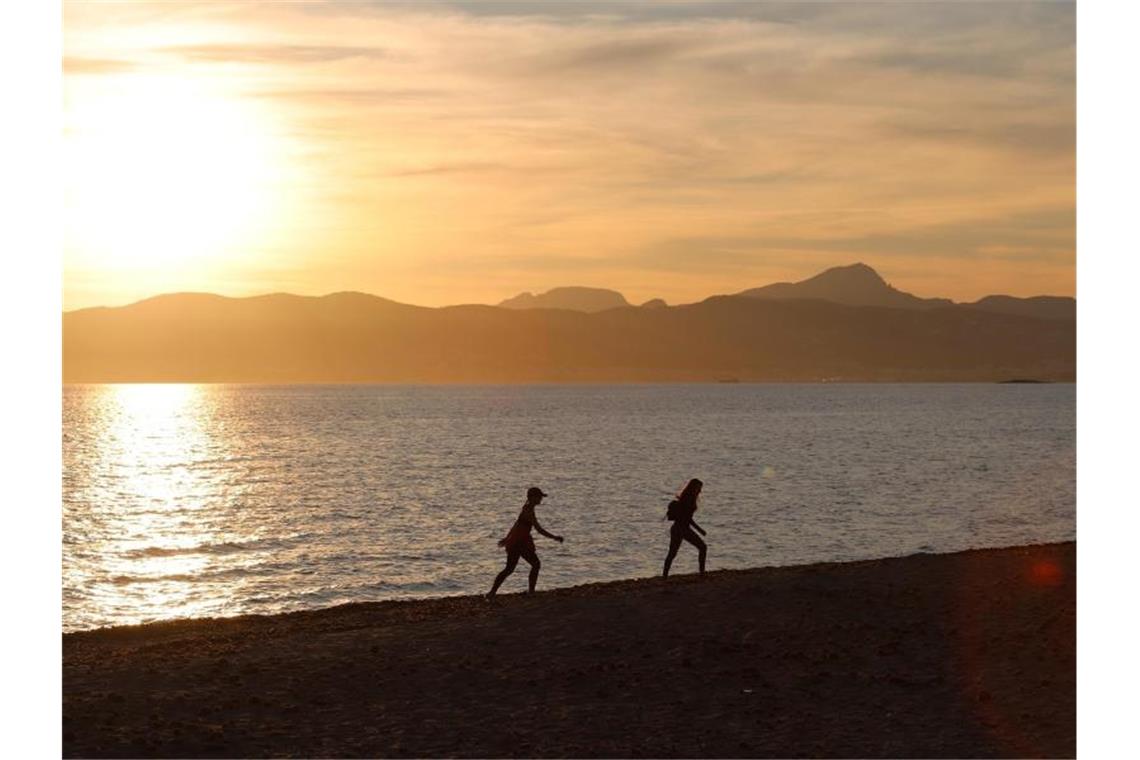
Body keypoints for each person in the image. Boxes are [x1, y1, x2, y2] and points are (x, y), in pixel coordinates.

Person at [487, 486, 564, 597]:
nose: (540, 499)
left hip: (518, 542)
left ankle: (492, 592)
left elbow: (516, 525)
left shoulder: (527, 508)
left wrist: (507, 538)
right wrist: (554, 537)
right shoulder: (528, 511)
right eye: (539, 497)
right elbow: (538, 529)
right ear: (532, 497)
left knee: (510, 569)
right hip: (519, 543)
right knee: (533, 565)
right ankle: (530, 592)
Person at [663, 478, 707, 577]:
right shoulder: (689, 500)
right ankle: (702, 574)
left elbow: (687, 518)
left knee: (672, 553)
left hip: (677, 528)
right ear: (694, 488)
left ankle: (664, 575)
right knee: (702, 547)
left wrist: (699, 530)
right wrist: (700, 530)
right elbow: (688, 519)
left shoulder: (687, 498)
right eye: (699, 488)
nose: (700, 491)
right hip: (682, 529)